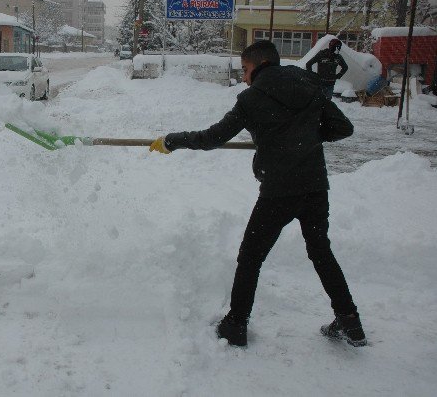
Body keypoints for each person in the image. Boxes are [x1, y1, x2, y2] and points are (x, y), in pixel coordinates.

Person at [149, 40, 366, 348]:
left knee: (250, 257)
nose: (244, 76)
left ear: (255, 66)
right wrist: (306, 139)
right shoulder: (308, 84)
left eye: (244, 69)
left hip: (279, 192)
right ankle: (350, 322)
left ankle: (236, 325)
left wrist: (173, 140)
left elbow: (212, 138)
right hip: (315, 187)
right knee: (321, 252)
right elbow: (343, 128)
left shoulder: (251, 99)